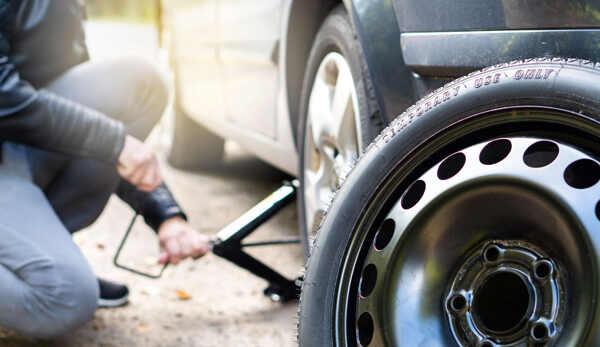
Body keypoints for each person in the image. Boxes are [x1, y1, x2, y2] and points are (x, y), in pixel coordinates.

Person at [0, 0, 212, 339]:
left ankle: (32, 256)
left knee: (138, 83)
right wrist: (114, 143)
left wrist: (165, 215)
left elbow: (90, 126)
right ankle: (33, 269)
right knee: (66, 298)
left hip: (15, 149)